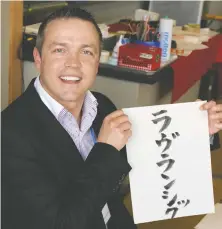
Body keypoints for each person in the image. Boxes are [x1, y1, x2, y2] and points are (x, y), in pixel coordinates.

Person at [1, 7, 222, 229]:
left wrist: (196, 131)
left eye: (86, 52)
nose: (73, 63)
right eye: (59, 50)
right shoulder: (9, 134)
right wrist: (105, 150)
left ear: (97, 63)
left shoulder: (101, 105)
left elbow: (144, 157)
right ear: (38, 58)